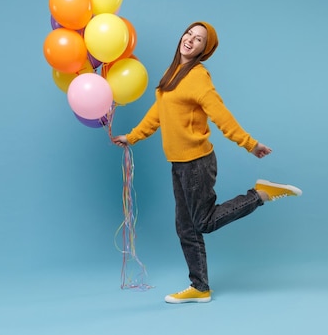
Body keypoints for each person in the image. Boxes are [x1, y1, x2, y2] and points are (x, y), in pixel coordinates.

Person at [112, 21, 302, 304]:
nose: (190, 39)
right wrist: (133, 137)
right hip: (178, 163)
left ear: (205, 49)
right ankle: (200, 287)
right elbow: (159, 111)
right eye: (189, 33)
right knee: (185, 228)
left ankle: (260, 194)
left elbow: (220, 113)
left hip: (197, 163)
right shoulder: (172, 73)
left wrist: (249, 143)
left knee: (203, 222)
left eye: (198, 39)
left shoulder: (198, 77)